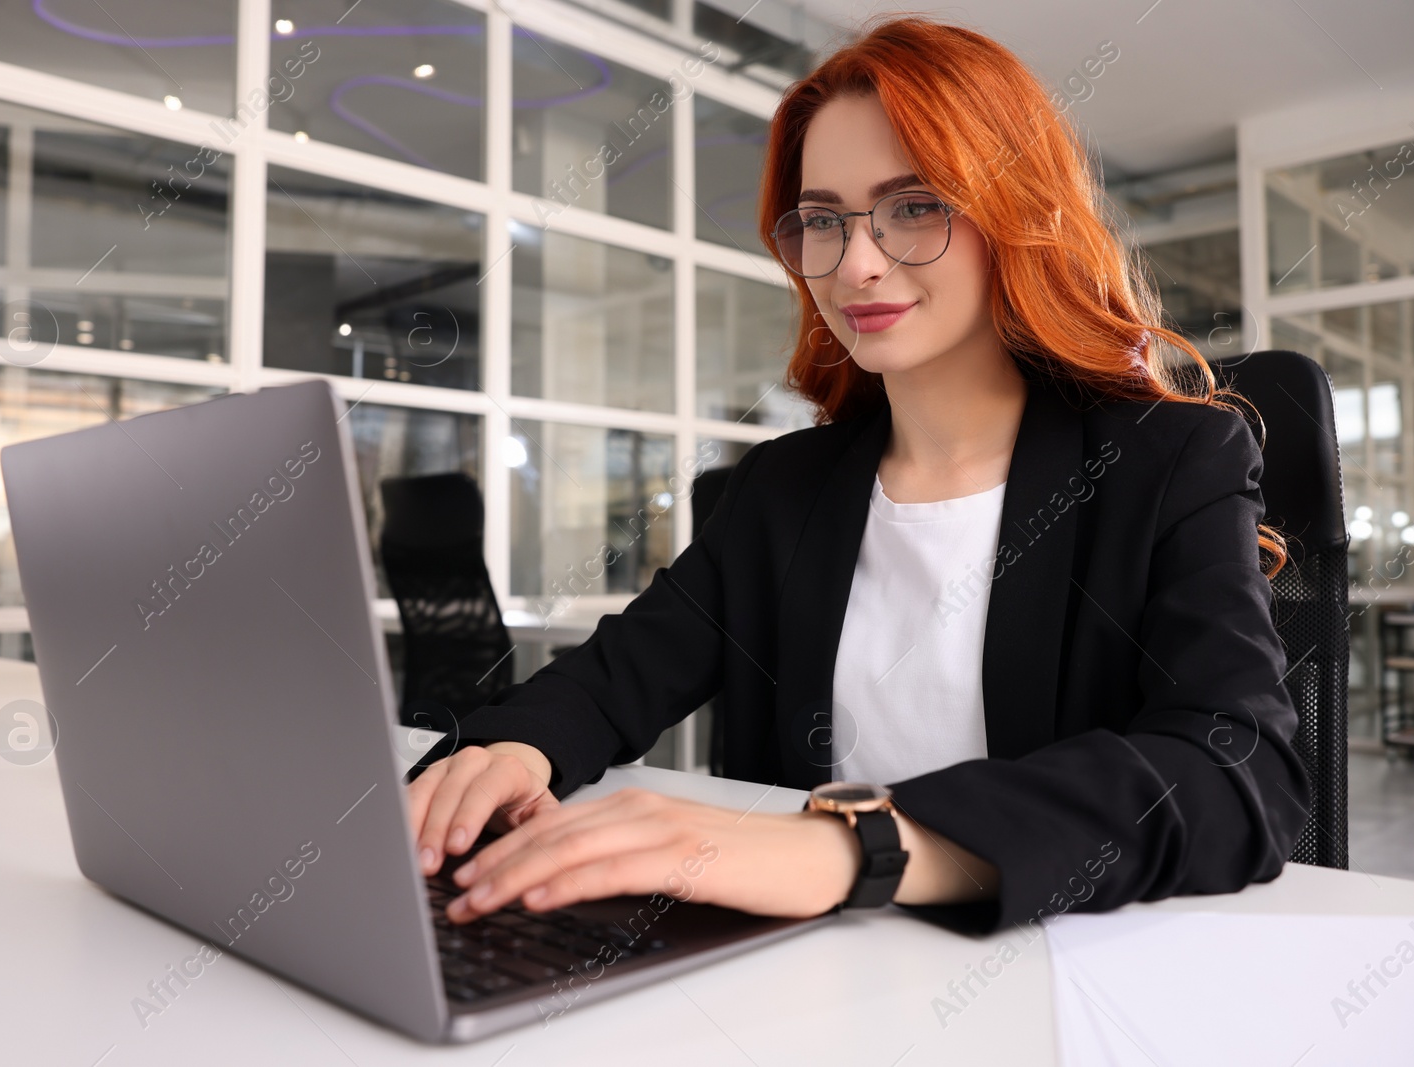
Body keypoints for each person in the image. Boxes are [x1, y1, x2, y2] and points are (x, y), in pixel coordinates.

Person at [404, 13, 1310, 934]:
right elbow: (612, 679)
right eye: (823, 221)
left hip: (1058, 983)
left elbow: (1240, 769)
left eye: (915, 205)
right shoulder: (782, 491)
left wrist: (848, 846)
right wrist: (515, 751)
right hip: (820, 982)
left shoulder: (1163, 462)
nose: (857, 265)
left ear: (1016, 211)